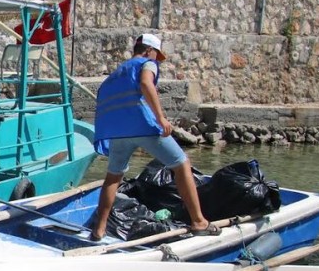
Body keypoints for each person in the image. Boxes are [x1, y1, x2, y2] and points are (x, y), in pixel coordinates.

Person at [88, 33, 220, 241]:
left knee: (113, 176)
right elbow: (146, 83)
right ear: (149, 50)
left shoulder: (115, 74)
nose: (157, 60)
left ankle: (99, 229)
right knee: (181, 164)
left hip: (117, 132)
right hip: (144, 126)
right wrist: (161, 118)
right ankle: (198, 221)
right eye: (157, 55)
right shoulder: (147, 63)